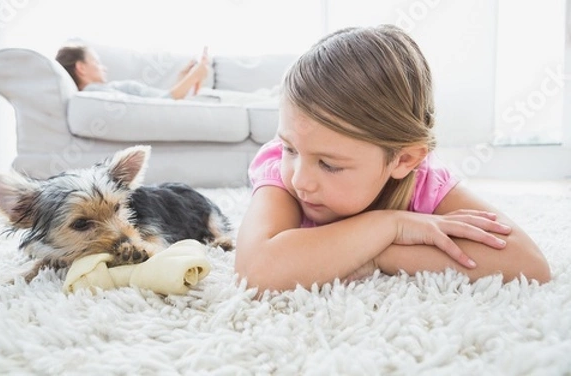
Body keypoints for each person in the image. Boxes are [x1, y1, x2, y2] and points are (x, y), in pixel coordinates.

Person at [235, 25, 551, 292]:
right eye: (290, 148)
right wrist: (390, 226)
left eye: (329, 164)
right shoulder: (281, 174)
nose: (299, 179)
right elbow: (255, 272)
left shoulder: (424, 183)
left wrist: (380, 255)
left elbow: (528, 264)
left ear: (404, 160)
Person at [55, 44, 209, 99]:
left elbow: (162, 102)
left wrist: (183, 78)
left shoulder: (105, 91)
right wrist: (195, 75)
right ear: (81, 67)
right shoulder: (94, 93)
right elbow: (159, 106)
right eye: (96, 62)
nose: (104, 68)